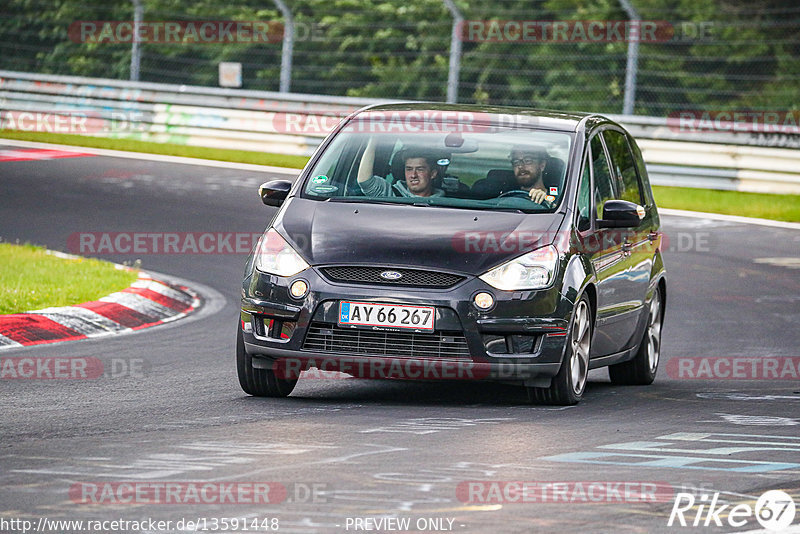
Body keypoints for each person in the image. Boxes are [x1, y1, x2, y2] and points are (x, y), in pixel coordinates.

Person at [357, 138, 444, 198]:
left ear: (433, 174)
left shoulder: (446, 203)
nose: (413, 175)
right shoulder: (391, 194)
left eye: (419, 169)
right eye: (409, 169)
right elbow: (365, 181)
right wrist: (374, 140)